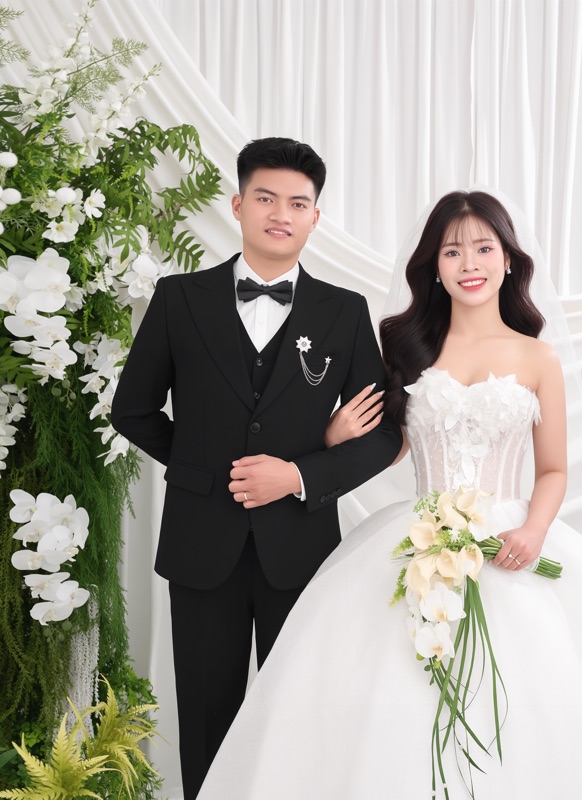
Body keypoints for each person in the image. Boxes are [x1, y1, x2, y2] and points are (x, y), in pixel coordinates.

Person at [195, 191, 582, 798]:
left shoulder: (538, 357)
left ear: (508, 259)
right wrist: (333, 437)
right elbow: (392, 446)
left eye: (483, 248)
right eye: (451, 251)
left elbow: (554, 469)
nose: (468, 263)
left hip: (509, 539)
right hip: (417, 537)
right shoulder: (405, 347)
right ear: (434, 266)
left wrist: (533, 530)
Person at [110, 137, 403, 800]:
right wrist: (208, 471)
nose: (281, 213)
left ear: (315, 217)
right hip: (200, 546)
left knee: (297, 723)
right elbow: (133, 410)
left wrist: (299, 475)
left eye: (298, 203)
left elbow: (386, 435)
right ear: (238, 205)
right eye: (266, 198)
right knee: (206, 725)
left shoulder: (344, 312)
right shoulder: (178, 299)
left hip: (300, 553)